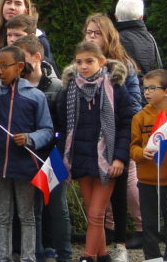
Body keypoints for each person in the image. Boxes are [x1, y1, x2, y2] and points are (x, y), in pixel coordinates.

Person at [55, 42, 133, 262]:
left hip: (107, 160)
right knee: (92, 215)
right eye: (79, 62)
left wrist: (119, 157)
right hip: (79, 158)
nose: (83, 66)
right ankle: (103, 256)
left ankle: (88, 256)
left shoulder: (116, 87)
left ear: (102, 62)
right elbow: (63, 128)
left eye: (89, 61)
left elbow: (127, 124)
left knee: (97, 213)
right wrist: (64, 160)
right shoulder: (70, 89)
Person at [0, 46, 53, 262]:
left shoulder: (35, 96)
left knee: (27, 216)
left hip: (24, 163)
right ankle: (4, 257)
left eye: (4, 66)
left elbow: (47, 130)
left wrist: (30, 138)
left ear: (19, 67)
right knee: (3, 216)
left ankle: (28, 257)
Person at [82, 12, 142, 259]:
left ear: (108, 36)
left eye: (97, 33)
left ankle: (125, 241)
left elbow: (135, 105)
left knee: (123, 190)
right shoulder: (82, 63)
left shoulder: (124, 66)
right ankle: (101, 244)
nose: (92, 36)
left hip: (118, 137)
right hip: (91, 140)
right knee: (98, 197)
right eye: (89, 32)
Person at [129, 69, 167, 260]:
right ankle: (152, 258)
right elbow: (133, 148)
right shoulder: (139, 118)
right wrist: (142, 153)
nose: (146, 92)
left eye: (152, 88)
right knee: (149, 227)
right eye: (145, 88)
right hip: (147, 181)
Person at [16, 35, 68, 262]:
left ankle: (63, 253)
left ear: (37, 57)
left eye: (23, 59)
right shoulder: (17, 87)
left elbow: (64, 125)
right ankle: (36, 252)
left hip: (53, 156)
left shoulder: (57, 87)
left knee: (57, 208)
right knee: (32, 211)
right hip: (28, 156)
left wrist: (59, 154)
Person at [113, 0, 163, 76]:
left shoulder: (115, 39)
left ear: (116, 16)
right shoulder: (150, 37)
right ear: (141, 17)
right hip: (148, 86)